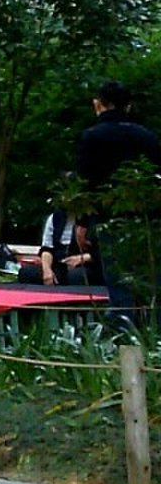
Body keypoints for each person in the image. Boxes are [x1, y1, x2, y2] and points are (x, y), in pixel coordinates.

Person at [75, 80, 160, 311]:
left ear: (98, 105)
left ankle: (124, 334)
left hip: (107, 218)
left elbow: (86, 182)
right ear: (128, 106)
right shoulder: (148, 137)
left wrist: (81, 222)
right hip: (145, 219)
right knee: (148, 281)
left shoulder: (92, 137)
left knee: (117, 282)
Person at [38, 207, 94, 287]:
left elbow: (102, 252)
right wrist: (47, 270)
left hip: (86, 264)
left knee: (76, 276)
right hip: (59, 263)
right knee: (28, 272)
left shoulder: (93, 218)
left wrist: (82, 258)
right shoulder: (55, 218)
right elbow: (47, 249)